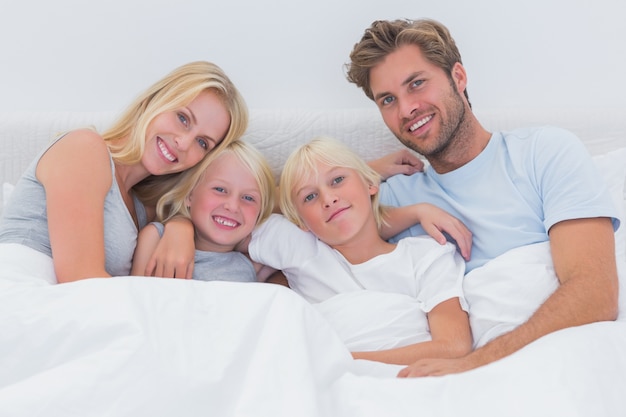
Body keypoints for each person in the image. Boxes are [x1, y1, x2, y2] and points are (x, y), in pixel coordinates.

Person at [345, 18, 620, 376]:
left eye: (417, 83)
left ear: (458, 77)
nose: (406, 109)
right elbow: (271, 215)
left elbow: (595, 295)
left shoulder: (544, 153)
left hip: (554, 366)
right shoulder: (393, 200)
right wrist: (364, 171)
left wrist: (474, 365)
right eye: (388, 99)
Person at [0, 61, 248, 284]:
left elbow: (270, 204)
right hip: (21, 294)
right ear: (152, 101)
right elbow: (81, 283)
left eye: (202, 143)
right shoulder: (83, 148)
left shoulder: (142, 209)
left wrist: (181, 226)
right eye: (183, 118)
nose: (183, 143)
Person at [248, 136, 472, 366]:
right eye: (310, 196)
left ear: (370, 184)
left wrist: (342, 361)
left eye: (337, 180)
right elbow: (241, 210)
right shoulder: (301, 248)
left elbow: (454, 346)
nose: (328, 198)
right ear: (300, 220)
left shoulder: (426, 254)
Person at [131, 140, 276, 283]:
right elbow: (134, 299)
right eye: (220, 189)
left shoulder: (256, 260)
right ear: (189, 195)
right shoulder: (156, 238)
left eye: (248, 198)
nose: (233, 206)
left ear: (260, 211)